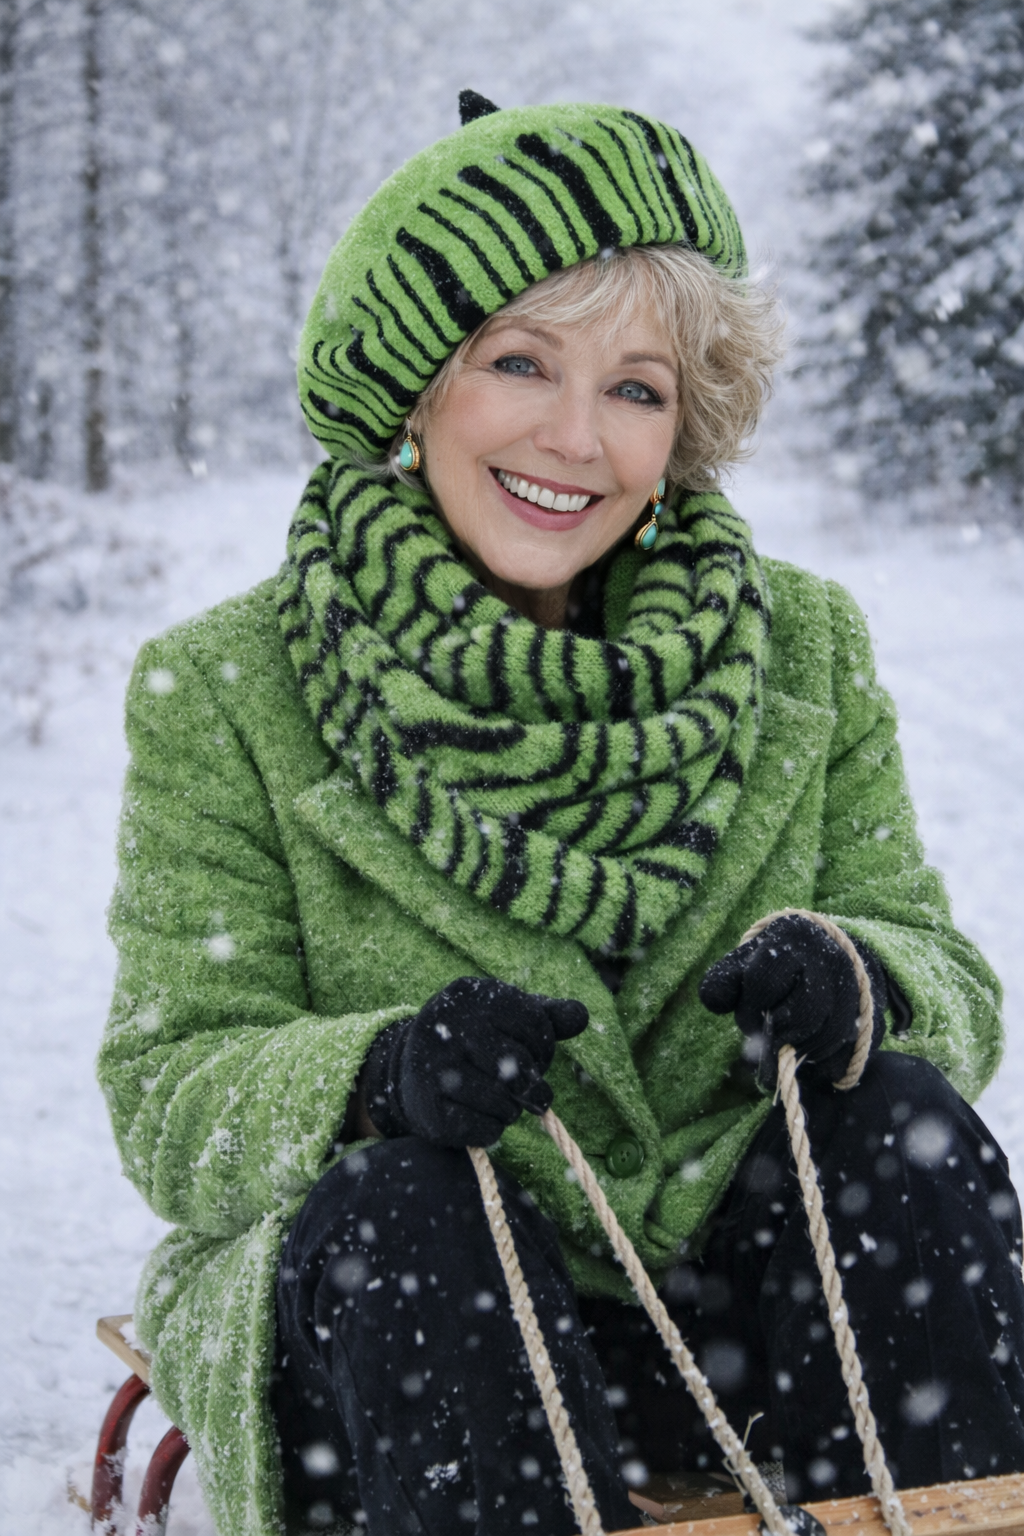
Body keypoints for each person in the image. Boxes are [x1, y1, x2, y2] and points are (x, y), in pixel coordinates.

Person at [98, 92, 1024, 1536]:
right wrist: (375, 1074)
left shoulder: (803, 647)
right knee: (406, 1207)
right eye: (520, 362)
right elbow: (171, 1094)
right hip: (425, 1339)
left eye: (639, 388)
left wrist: (861, 981)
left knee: (901, 1122)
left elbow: (947, 980)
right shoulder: (227, 686)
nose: (576, 438)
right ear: (417, 390)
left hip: (735, 1315)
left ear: (685, 427)